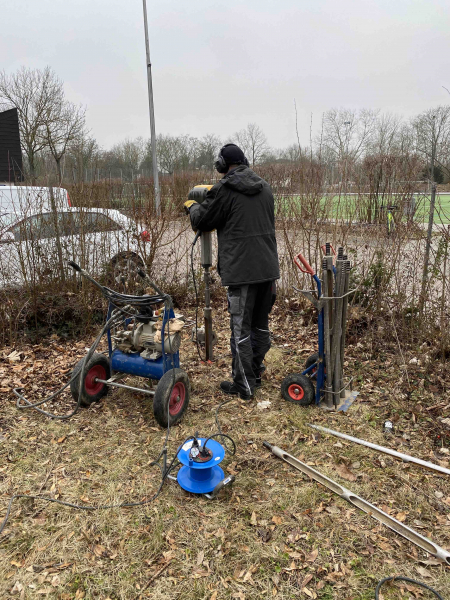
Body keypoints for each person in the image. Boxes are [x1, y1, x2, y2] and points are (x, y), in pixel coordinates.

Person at [184, 143, 279, 400]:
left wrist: (192, 205)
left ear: (222, 165)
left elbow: (203, 221)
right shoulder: (265, 187)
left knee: (241, 331)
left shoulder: (225, 189)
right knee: (260, 326)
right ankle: (255, 373)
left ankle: (244, 386)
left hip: (242, 272)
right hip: (268, 270)